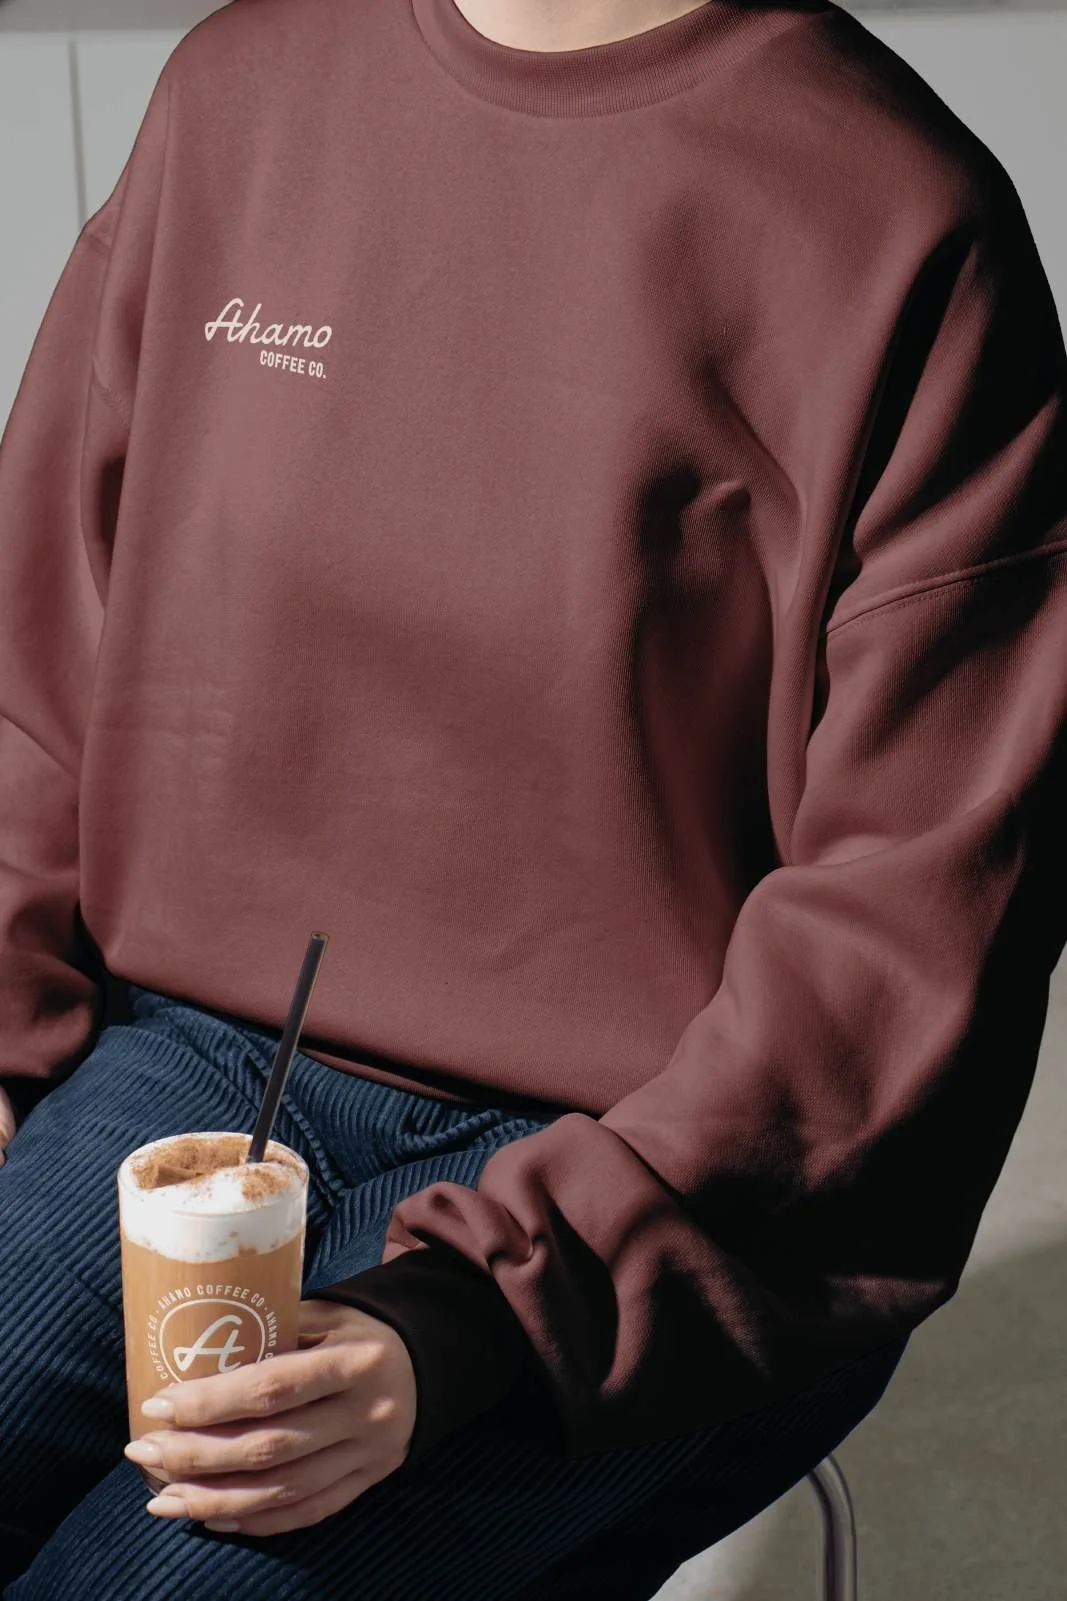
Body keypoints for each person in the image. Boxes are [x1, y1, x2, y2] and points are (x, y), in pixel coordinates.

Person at [1, 0, 1065, 1594]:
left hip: (650, 1182)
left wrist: (470, 1324)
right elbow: (38, 664)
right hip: (194, 1074)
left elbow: (910, 944)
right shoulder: (245, 88)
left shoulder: (896, 215)